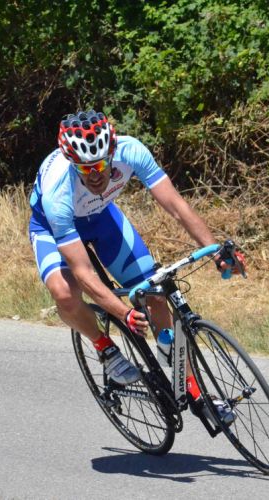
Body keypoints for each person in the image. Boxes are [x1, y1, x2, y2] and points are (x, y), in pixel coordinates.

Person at [29, 110, 244, 423]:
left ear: (112, 152)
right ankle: (104, 346)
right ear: (72, 162)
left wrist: (215, 251)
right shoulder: (57, 191)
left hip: (102, 218)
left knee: (154, 292)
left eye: (101, 164)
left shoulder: (131, 151)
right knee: (65, 294)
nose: (95, 175)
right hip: (51, 228)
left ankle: (194, 391)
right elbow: (84, 273)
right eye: (85, 168)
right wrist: (123, 313)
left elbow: (177, 207)